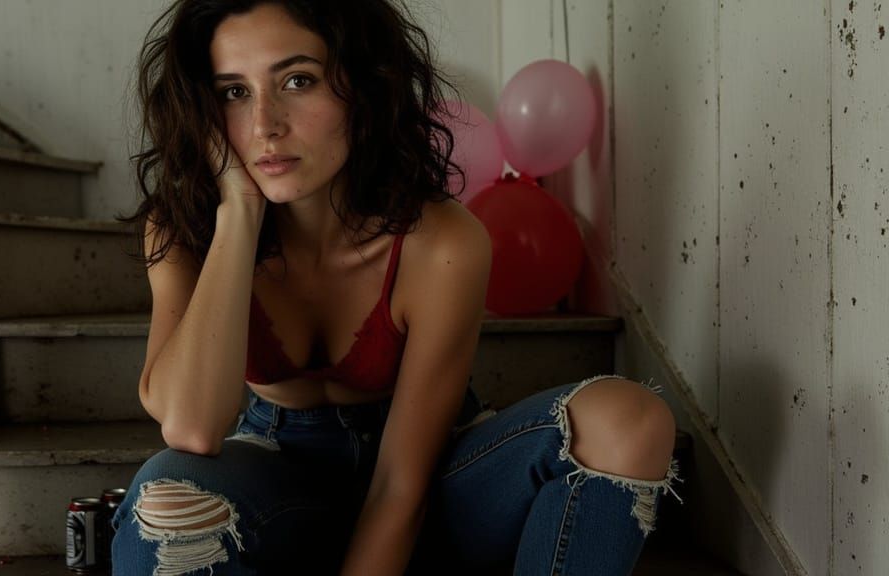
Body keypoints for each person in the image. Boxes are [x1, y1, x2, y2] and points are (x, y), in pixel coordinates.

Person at [111, 0, 681, 574]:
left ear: (362, 87)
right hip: (279, 489)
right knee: (165, 494)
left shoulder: (439, 241)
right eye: (233, 91)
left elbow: (400, 487)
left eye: (298, 80)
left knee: (628, 419)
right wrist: (239, 211)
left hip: (439, 484)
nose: (265, 125)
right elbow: (190, 426)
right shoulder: (186, 229)